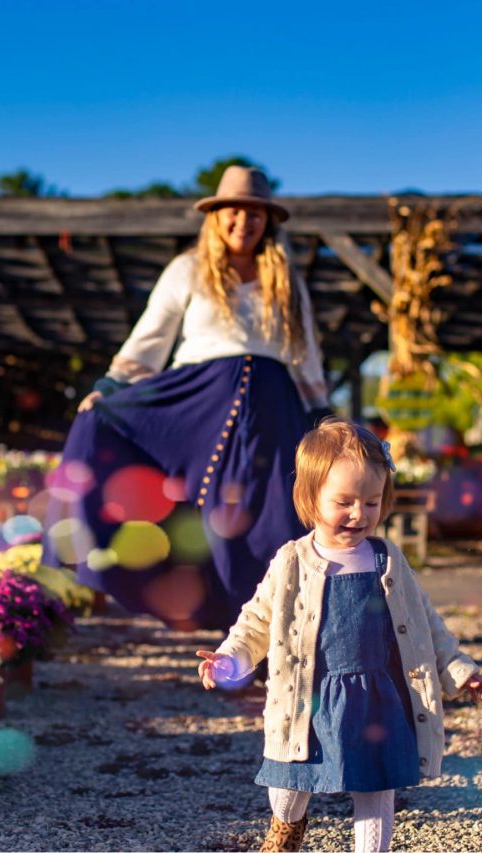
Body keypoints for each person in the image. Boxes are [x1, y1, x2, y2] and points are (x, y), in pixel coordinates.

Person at [42, 165, 330, 630]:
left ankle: (269, 637)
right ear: (215, 217)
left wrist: (322, 413)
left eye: (255, 213)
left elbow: (305, 351)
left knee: (272, 519)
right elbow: (150, 339)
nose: (244, 221)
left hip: (271, 408)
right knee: (169, 492)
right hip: (196, 403)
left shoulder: (286, 279)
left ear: (268, 221)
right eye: (233, 210)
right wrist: (111, 387)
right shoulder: (187, 269)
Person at [197, 417, 482, 853]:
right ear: (311, 499)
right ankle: (287, 828)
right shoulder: (292, 560)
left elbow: (426, 622)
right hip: (307, 696)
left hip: (376, 696)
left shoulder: (387, 559)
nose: (358, 514)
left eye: (371, 502)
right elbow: (256, 620)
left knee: (376, 786)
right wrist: (230, 658)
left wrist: (459, 668)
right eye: (344, 502)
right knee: (290, 780)